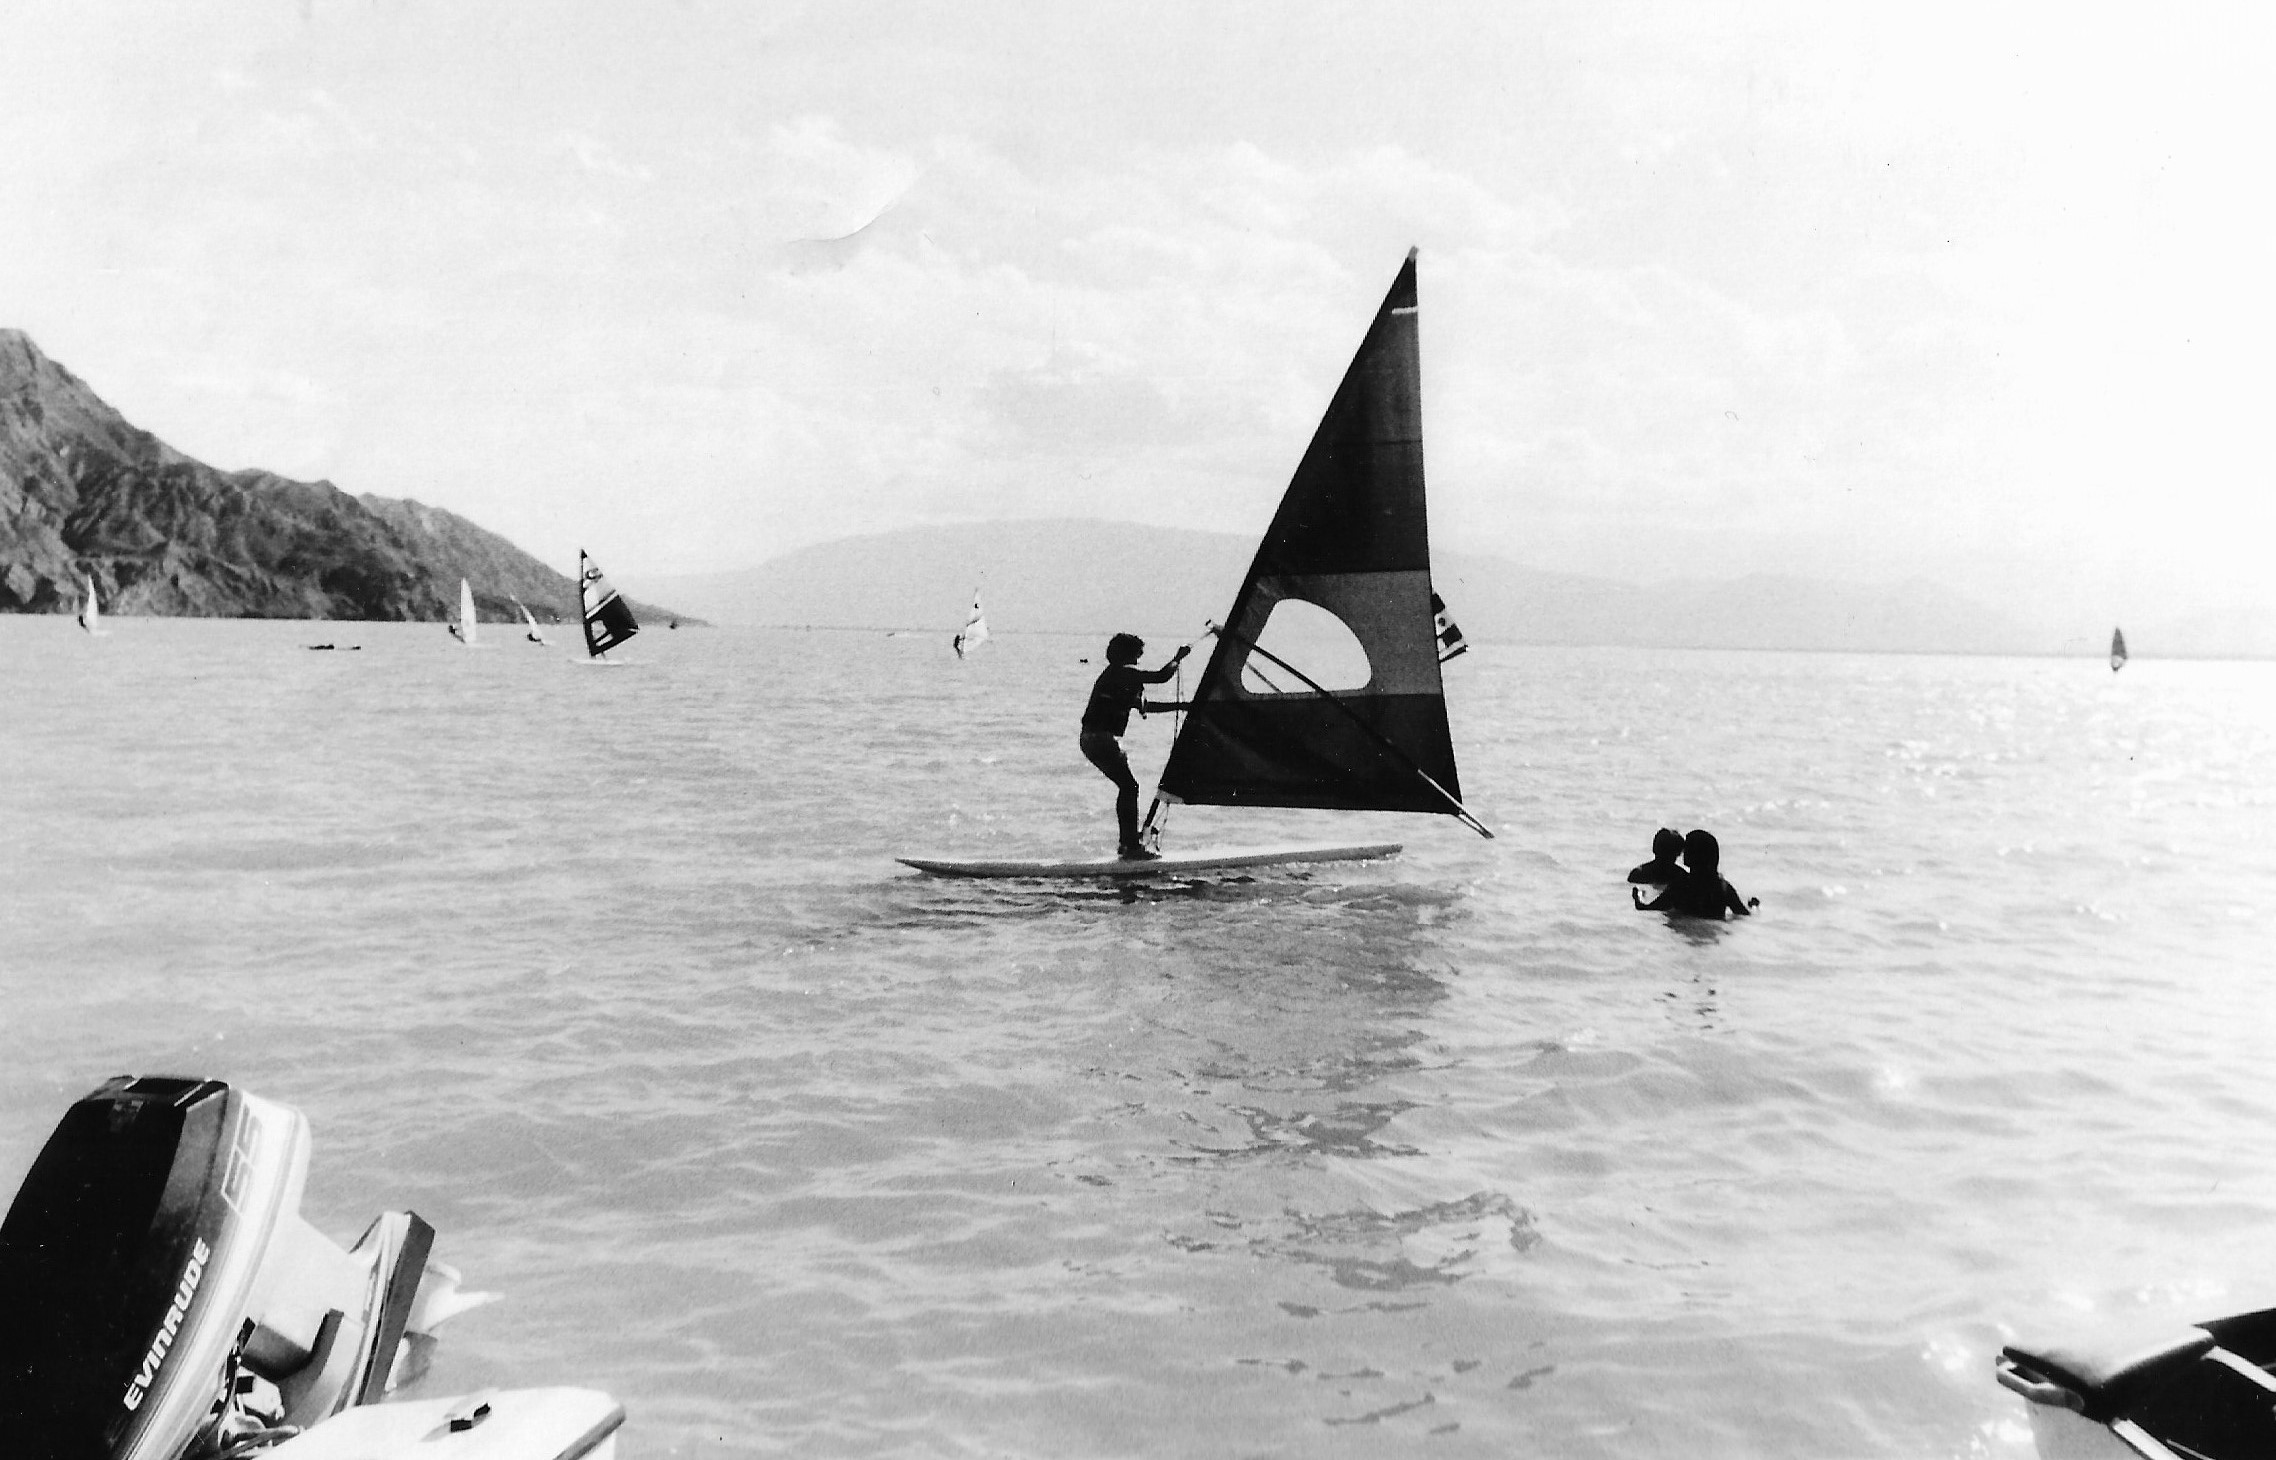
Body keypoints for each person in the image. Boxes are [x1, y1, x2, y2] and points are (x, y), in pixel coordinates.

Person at [1081, 632, 1189, 859]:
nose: (1138, 661)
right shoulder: (1122, 672)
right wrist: (1178, 659)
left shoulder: (1116, 678)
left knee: (1128, 787)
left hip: (1092, 740)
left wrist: (1182, 706)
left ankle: (1127, 843)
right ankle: (1130, 845)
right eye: (1136, 656)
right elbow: (1161, 677)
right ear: (1125, 655)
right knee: (1130, 787)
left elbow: (1146, 707)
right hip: (1100, 740)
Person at [1632, 829, 1758, 919]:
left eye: (1687, 848)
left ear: (1692, 855)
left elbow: (1646, 909)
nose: (1683, 851)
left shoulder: (1680, 885)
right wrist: (1754, 906)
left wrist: (1638, 896)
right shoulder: (1723, 888)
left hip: (1684, 931)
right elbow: (1744, 915)